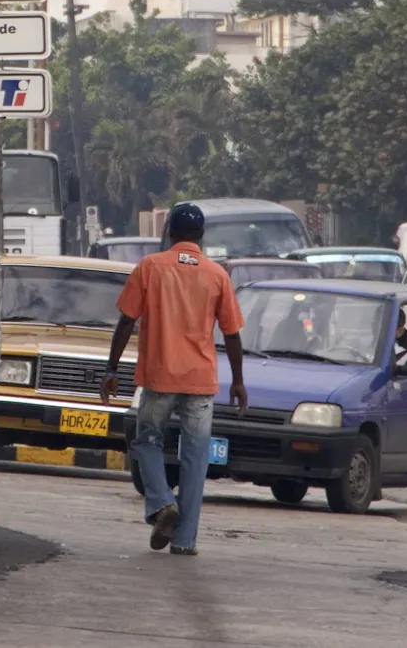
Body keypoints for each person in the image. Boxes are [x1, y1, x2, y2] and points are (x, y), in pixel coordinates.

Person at [101, 203, 245, 556]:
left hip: (160, 375)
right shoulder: (217, 275)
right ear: (201, 236)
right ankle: (184, 540)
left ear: (170, 233)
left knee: (147, 439)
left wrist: (111, 369)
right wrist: (239, 381)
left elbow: (126, 321)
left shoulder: (150, 268)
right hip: (201, 380)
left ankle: (163, 503)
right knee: (196, 459)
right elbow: (232, 334)